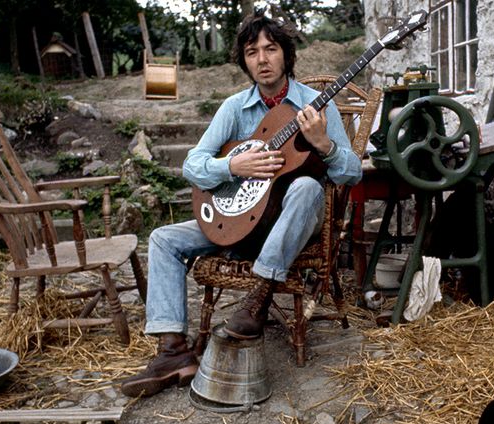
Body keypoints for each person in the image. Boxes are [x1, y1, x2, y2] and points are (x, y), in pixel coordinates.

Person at [120, 12, 362, 398]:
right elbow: (192, 165)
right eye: (252, 52)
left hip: (294, 223)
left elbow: (352, 174)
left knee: (305, 186)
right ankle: (173, 352)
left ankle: (259, 298)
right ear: (244, 61)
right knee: (164, 239)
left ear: (286, 55)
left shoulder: (317, 106)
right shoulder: (235, 108)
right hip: (243, 219)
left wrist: (325, 145)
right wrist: (231, 164)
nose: (262, 59)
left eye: (271, 49)